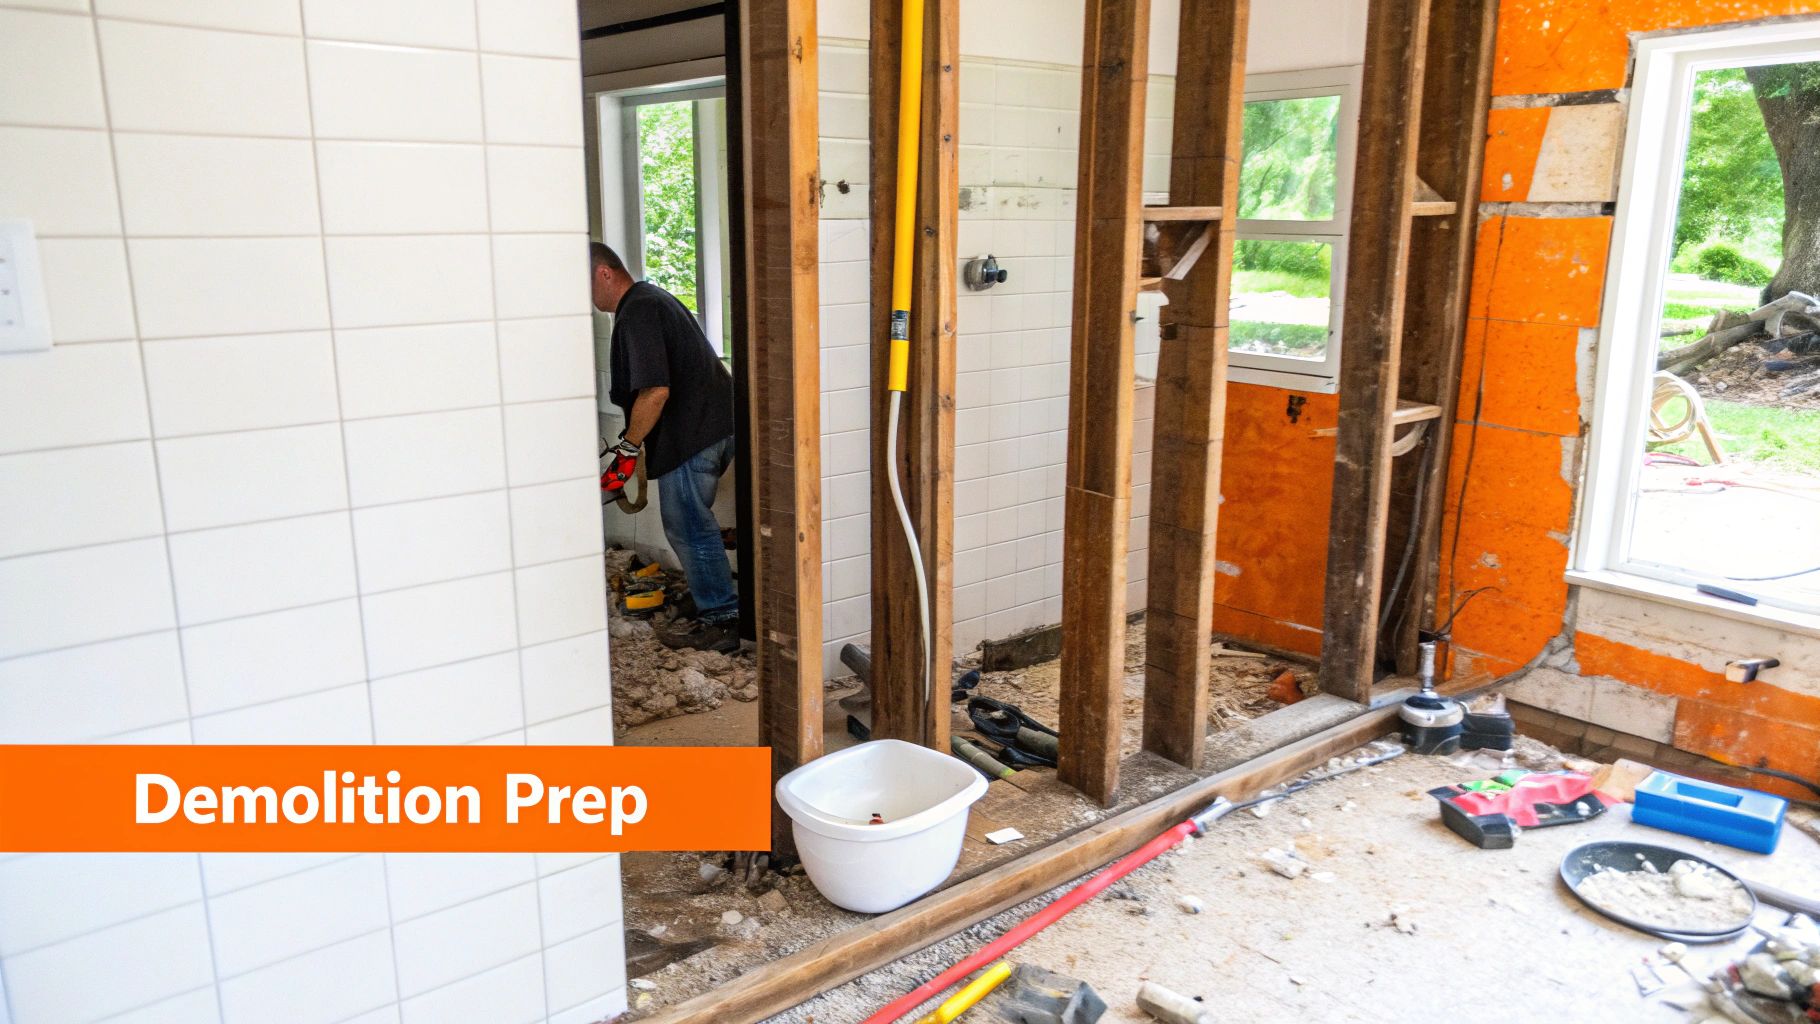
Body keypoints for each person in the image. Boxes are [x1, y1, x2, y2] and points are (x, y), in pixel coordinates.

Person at [591, 242, 740, 654]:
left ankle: (723, 618)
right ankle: (709, 594)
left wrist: (626, 448)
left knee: (689, 526)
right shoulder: (649, 299)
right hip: (712, 424)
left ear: (604, 273)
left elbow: (656, 390)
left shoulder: (638, 310)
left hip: (693, 433)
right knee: (690, 524)